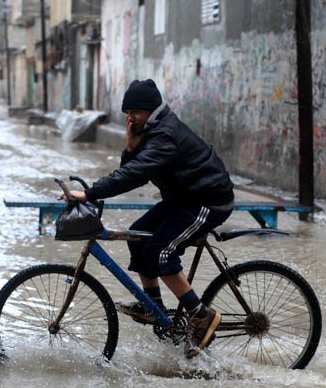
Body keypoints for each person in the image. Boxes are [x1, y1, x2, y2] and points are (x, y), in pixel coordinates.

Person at [67, 79, 235, 358]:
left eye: (134, 112)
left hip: (208, 201)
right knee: (137, 235)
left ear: (149, 110)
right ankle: (153, 305)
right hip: (183, 198)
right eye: (126, 113)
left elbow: (135, 175)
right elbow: (132, 168)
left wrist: (89, 193)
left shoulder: (165, 135)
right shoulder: (150, 130)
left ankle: (200, 315)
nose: (129, 118)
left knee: (160, 253)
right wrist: (131, 147)